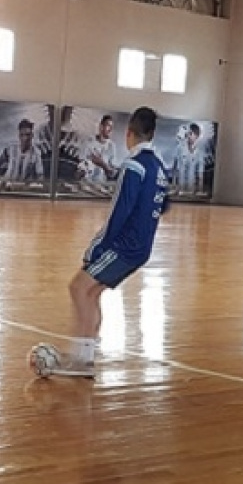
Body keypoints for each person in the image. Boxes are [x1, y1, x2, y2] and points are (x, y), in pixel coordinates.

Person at [52, 106, 170, 377]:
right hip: (141, 247)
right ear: (152, 134)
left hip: (123, 246)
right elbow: (163, 205)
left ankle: (81, 361)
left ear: (129, 133)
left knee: (78, 288)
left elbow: (120, 211)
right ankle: (84, 356)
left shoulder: (133, 165)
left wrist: (98, 247)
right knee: (91, 292)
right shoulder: (158, 167)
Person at [0, 119, 44, 186]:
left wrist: (38, 185)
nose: (25, 138)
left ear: (32, 136)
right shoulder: (11, 148)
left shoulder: (36, 153)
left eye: (28, 135)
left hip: (23, 188)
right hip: (6, 185)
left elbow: (40, 175)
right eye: (22, 135)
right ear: (19, 136)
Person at [81, 115, 118, 183]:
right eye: (108, 126)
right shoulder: (88, 142)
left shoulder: (112, 146)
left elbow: (112, 174)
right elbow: (80, 165)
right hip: (85, 183)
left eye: (112, 127)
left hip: (100, 185)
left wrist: (102, 164)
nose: (110, 130)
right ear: (101, 127)